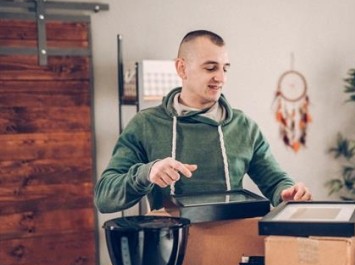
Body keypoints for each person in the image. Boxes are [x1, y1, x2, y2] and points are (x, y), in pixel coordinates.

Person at [95, 30, 311, 214]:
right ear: (181, 68)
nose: (221, 78)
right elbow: (104, 197)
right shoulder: (145, 125)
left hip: (233, 249)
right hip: (171, 252)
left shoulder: (244, 126)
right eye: (210, 68)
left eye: (225, 68)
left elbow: (275, 182)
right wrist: (146, 173)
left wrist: (288, 193)